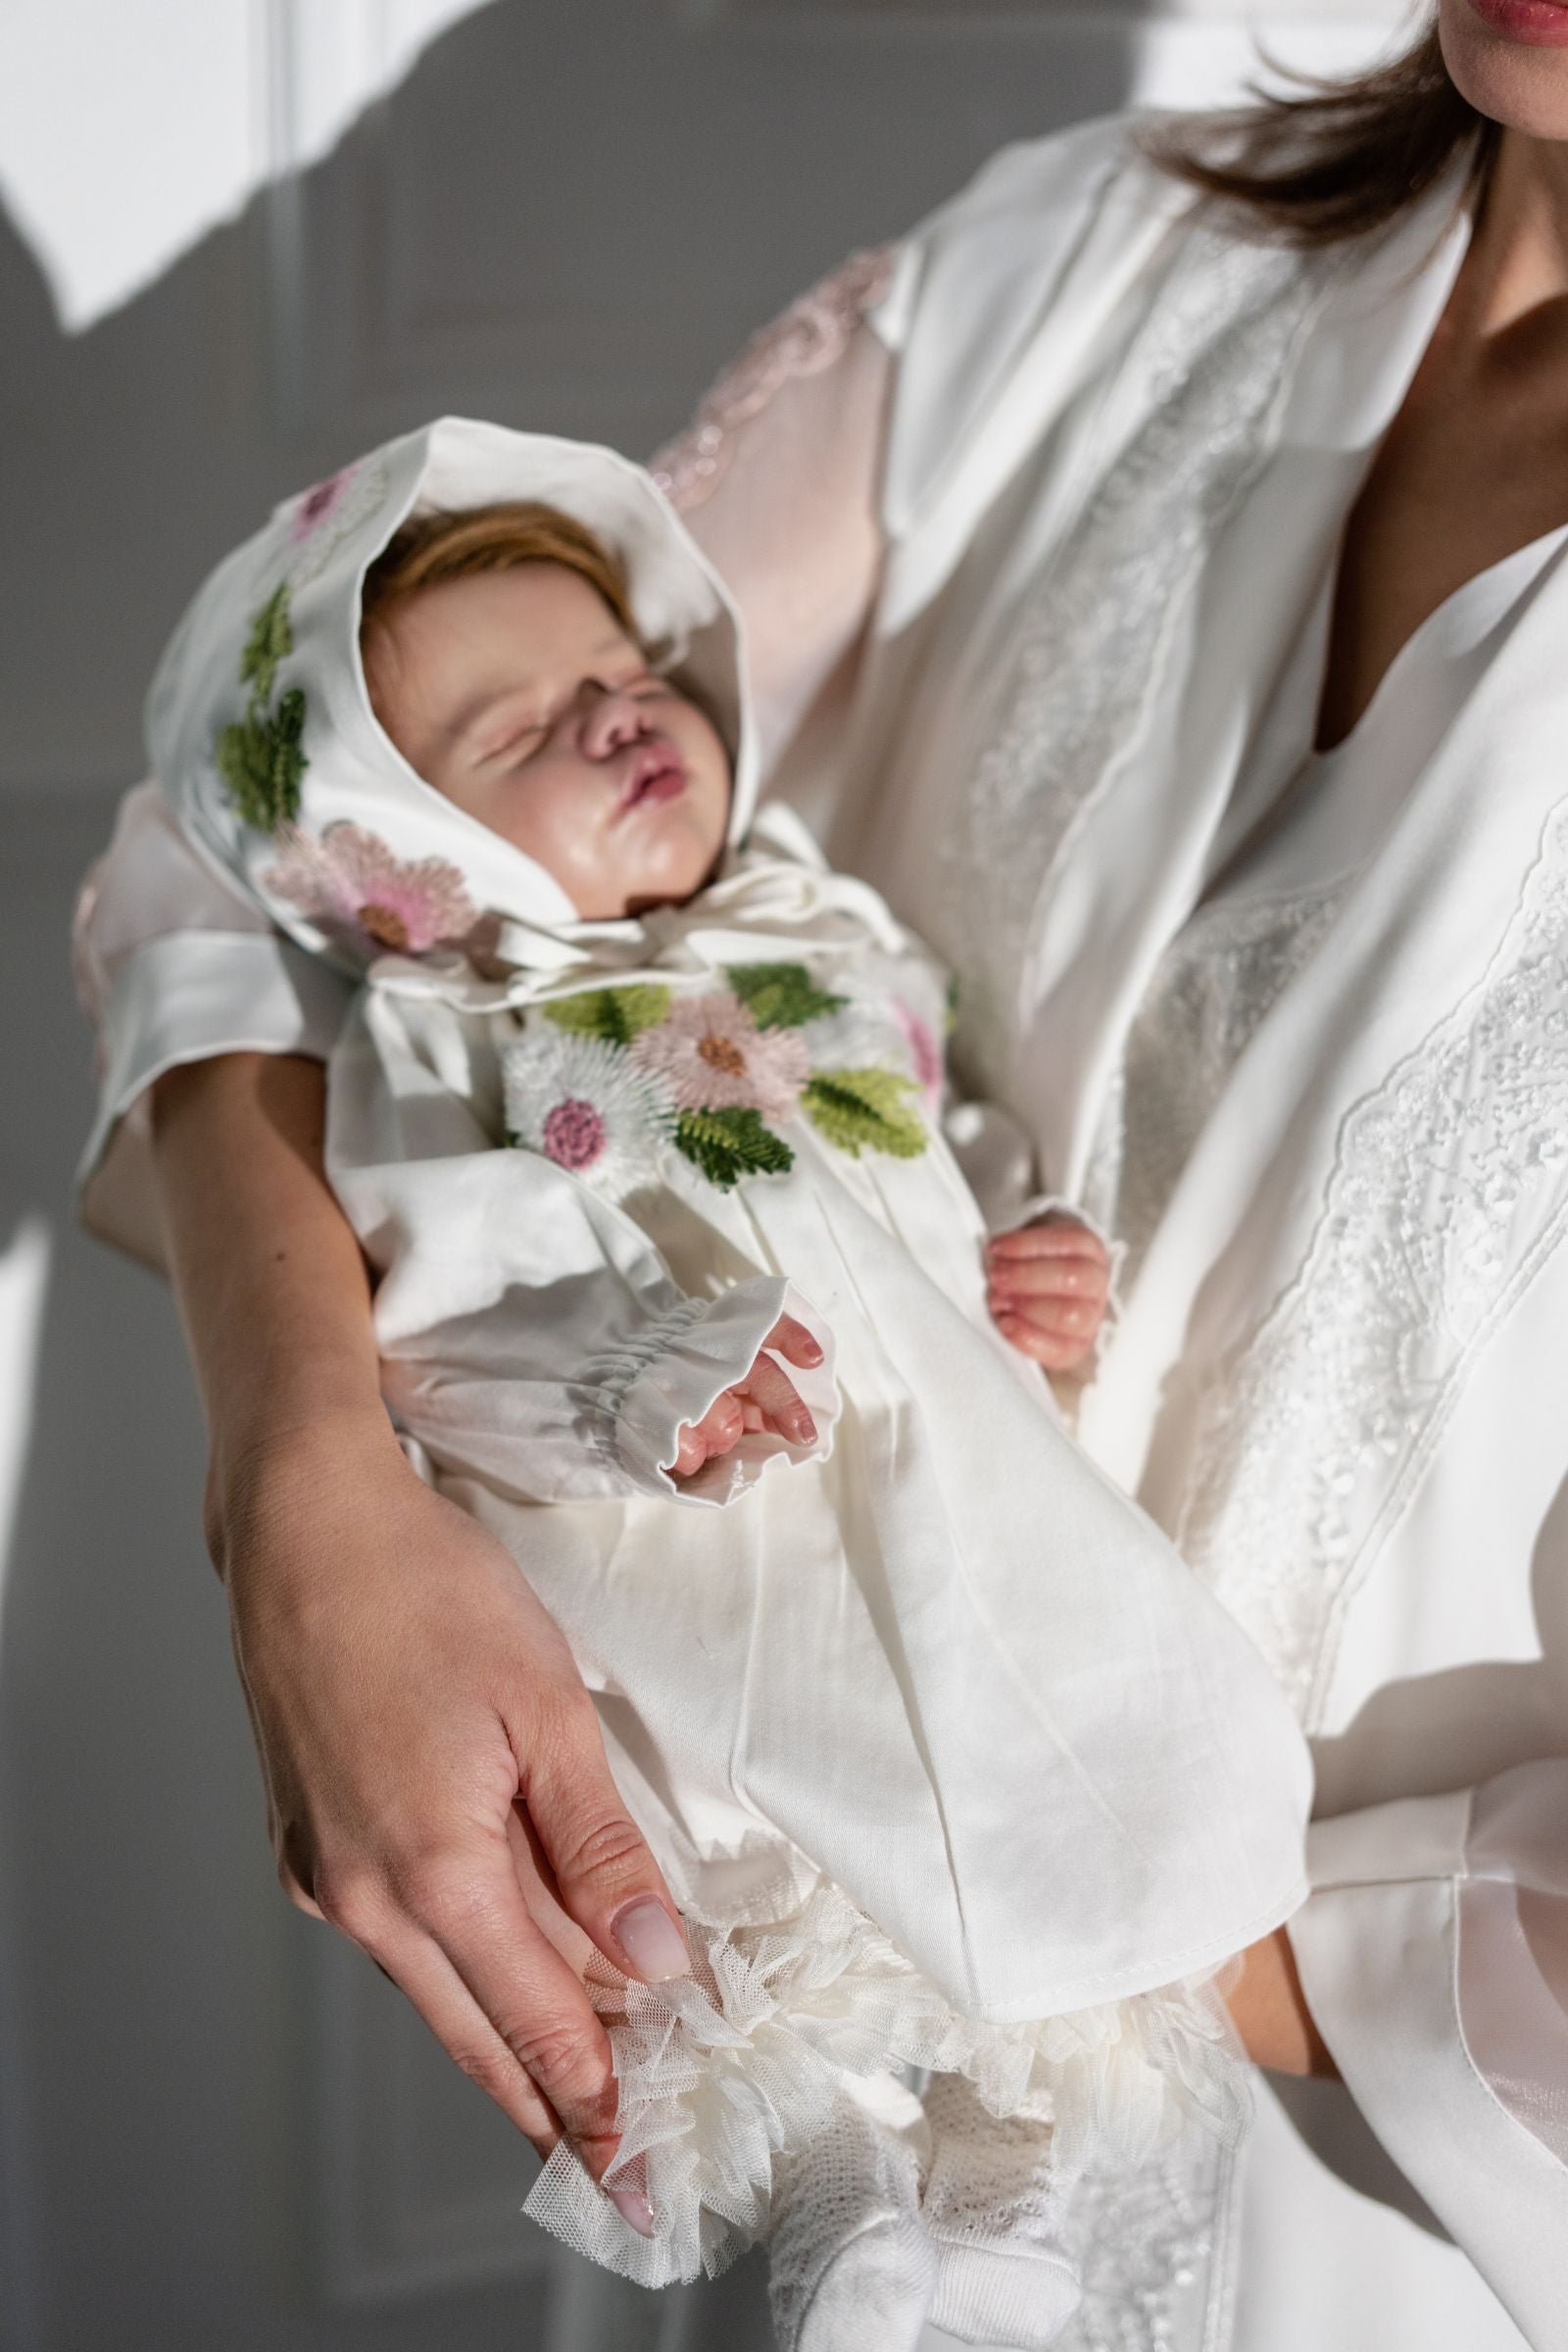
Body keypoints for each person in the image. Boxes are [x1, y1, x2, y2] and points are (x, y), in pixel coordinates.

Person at [73, 5, 1568, 2343]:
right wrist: (307, 1491)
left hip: (1339, 2221)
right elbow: (263, 829)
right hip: (778, 2084)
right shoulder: (1091, 272)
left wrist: (1074, 1931)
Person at [125, 416, 1310, 2349]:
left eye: (617, 671)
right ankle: (837, 2196)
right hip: (692, 1533)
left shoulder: (812, 929)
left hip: (939, 1462)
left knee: (1040, 1788)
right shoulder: (446, 1040)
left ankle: (1006, 2203)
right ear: (398, 861)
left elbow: (934, 1126)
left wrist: (1019, 1237)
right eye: (520, 735)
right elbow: (424, 1332)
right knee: (771, 1859)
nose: (613, 718)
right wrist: (630, 1375)